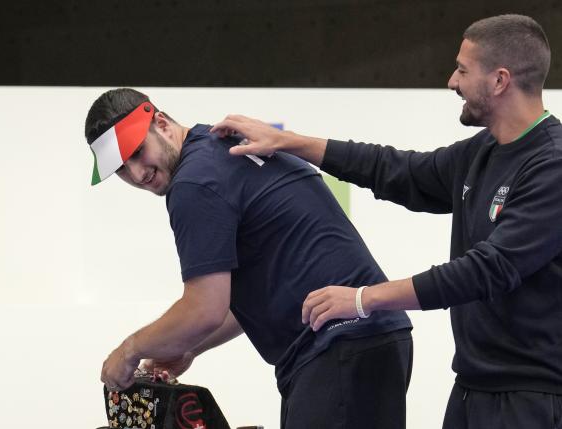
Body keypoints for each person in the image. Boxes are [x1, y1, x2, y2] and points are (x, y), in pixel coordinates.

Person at [211, 14, 562, 429]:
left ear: (500, 80)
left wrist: (364, 299)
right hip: (471, 387)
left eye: (463, 71)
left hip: (531, 399)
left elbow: (488, 270)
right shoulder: (483, 151)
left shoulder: (551, 166)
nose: (452, 81)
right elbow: (396, 170)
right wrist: (290, 142)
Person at [84, 88, 413, 428]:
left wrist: (129, 350)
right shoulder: (224, 151)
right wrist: (189, 349)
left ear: (162, 124)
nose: (138, 174)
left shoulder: (194, 182)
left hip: (339, 347)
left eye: (138, 152)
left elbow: (204, 309)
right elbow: (248, 299)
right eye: (122, 168)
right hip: (370, 339)